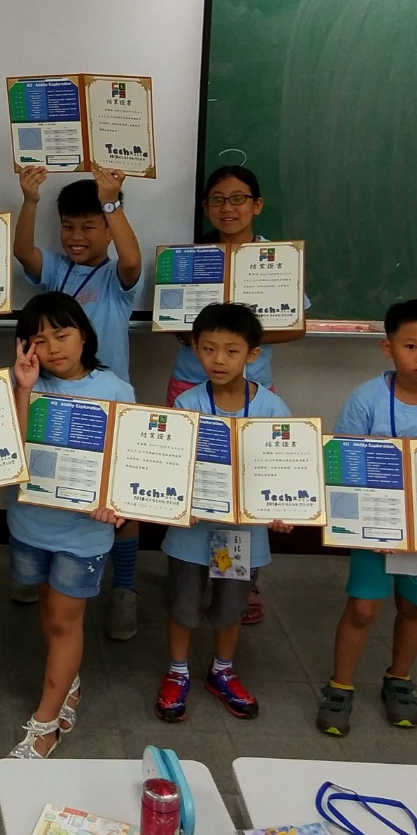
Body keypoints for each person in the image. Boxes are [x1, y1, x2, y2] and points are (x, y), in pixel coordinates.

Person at [318, 298, 417, 736]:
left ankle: (399, 679)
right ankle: (340, 685)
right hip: (374, 528)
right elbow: (342, 462)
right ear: (387, 348)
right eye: (411, 346)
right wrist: (357, 525)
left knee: (413, 606)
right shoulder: (366, 398)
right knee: (362, 609)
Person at [165, 166, 307, 627]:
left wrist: (239, 339)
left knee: (248, 471)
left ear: (257, 205)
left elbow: (296, 326)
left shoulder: (278, 258)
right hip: (189, 385)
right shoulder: (190, 258)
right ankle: (189, 564)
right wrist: (192, 335)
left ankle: (239, 576)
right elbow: (168, 321)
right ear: (206, 206)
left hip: (251, 392)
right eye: (218, 199)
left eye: (238, 198)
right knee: (193, 472)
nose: (228, 208)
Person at [12, 167, 143, 627]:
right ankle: (42, 565)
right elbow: (23, 251)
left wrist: (112, 202)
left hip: (106, 399)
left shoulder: (116, 278)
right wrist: (30, 200)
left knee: (115, 496)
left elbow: (132, 260)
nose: (77, 236)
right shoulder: (57, 268)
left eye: (90, 226)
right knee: (56, 474)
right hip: (54, 395)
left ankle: (124, 585)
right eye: (69, 226)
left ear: (108, 228)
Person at [5, 292, 134, 757]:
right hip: (30, 523)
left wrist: (117, 504)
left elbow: (128, 459)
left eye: (62, 335)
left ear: (84, 335)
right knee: (48, 604)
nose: (53, 348)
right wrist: (23, 387)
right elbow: (12, 452)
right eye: (39, 340)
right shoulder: (24, 382)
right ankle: (69, 680)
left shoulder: (115, 389)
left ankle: (45, 723)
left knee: (64, 619)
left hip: (83, 531)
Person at [159, 303, 295, 724]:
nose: (218, 360)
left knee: (230, 607)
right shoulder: (187, 402)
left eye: (231, 351)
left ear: (252, 354)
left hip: (241, 533)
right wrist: (175, 502)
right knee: (183, 605)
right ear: (195, 348)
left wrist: (283, 508)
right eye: (208, 349)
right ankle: (177, 671)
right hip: (191, 530)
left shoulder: (272, 409)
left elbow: (285, 471)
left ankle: (222, 670)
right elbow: (171, 463)